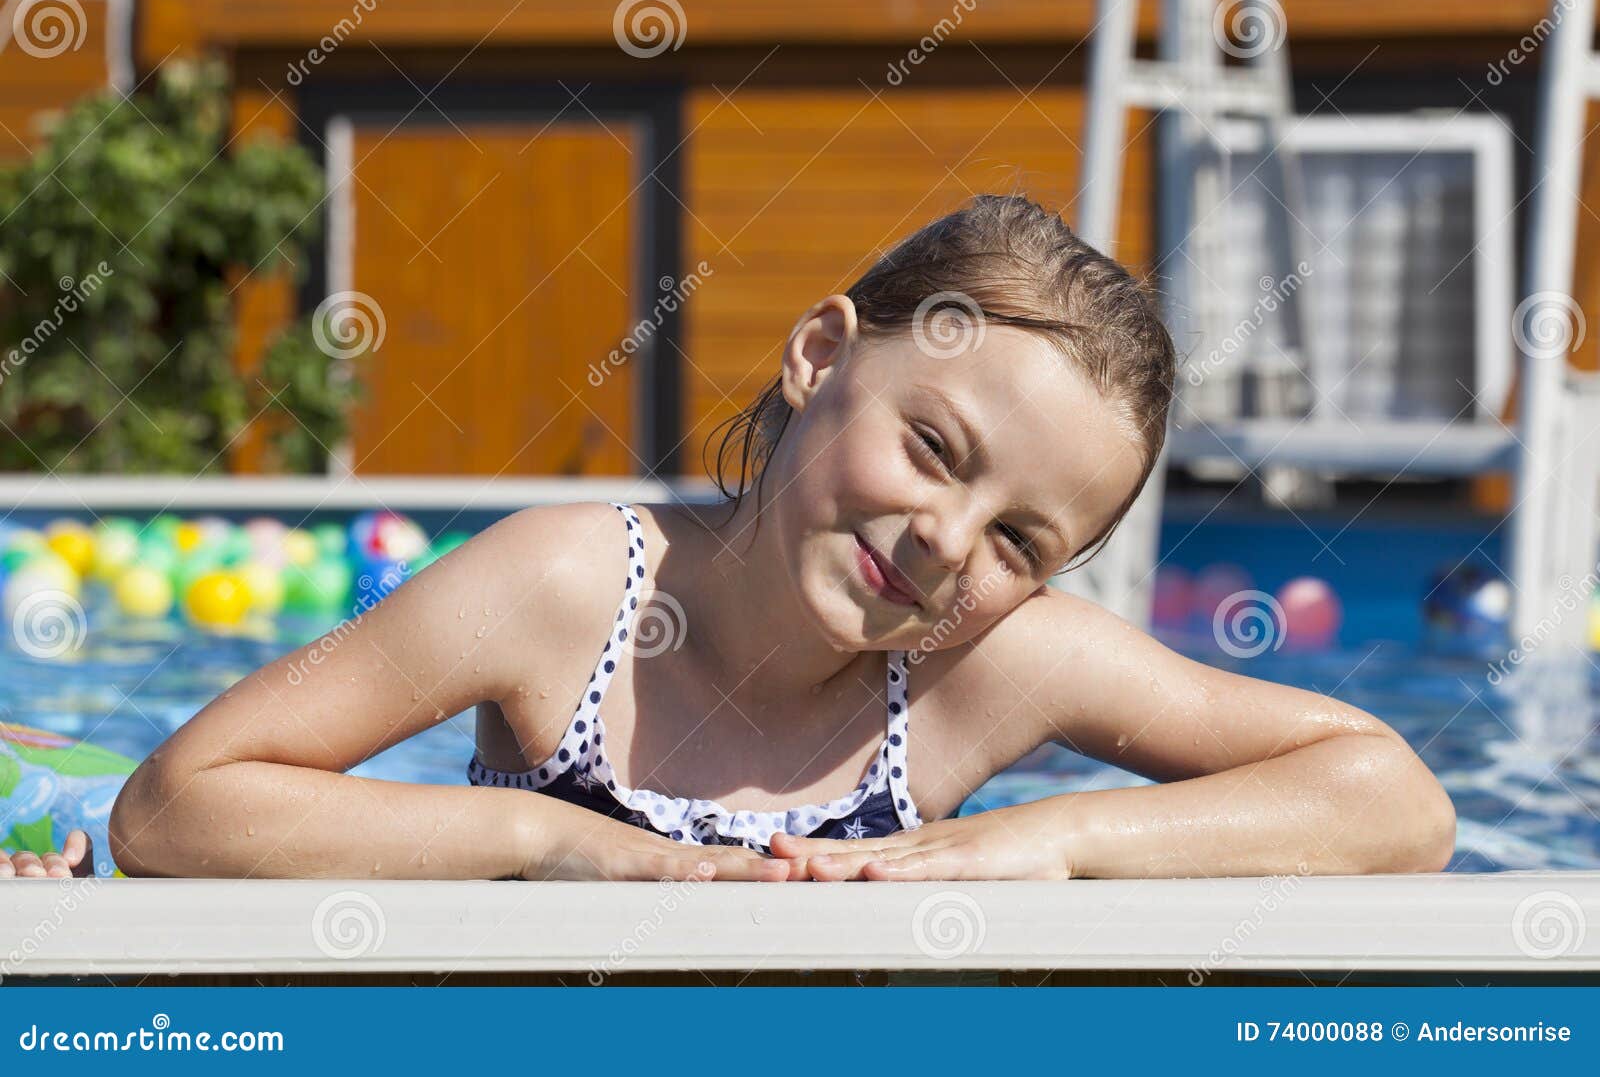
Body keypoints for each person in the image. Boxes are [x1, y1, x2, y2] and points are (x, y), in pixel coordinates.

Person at [106, 194, 1456, 883]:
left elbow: (1397, 800)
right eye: (935, 448)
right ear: (821, 354)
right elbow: (174, 804)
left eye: (1020, 541)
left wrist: (1055, 839)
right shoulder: (566, 589)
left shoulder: (983, 666)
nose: (944, 538)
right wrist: (555, 846)